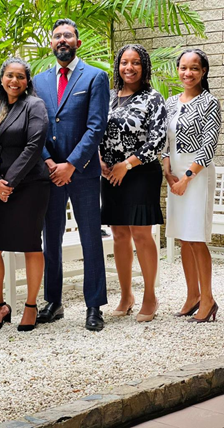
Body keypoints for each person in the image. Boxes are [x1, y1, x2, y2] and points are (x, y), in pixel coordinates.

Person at [33, 18, 110, 331]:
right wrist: (51, 163)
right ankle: (53, 302)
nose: (62, 40)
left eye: (68, 35)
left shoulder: (95, 77)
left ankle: (94, 307)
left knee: (91, 238)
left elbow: (96, 127)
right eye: (57, 36)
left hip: (84, 173)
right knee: (50, 239)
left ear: (77, 42)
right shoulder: (37, 82)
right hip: (49, 173)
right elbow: (33, 127)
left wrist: (71, 165)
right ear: (51, 44)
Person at [0, 57, 50, 332]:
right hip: (2, 187)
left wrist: (9, 181)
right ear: (1, 78)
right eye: (10, 75)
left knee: (31, 245)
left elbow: (35, 146)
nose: (14, 81)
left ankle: (31, 306)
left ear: (27, 81)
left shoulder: (35, 105)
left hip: (32, 184)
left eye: (20, 77)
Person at [100, 44, 167, 322]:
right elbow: (95, 130)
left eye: (135, 62)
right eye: (124, 62)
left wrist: (126, 164)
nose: (129, 67)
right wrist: (101, 160)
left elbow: (157, 140)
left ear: (144, 66)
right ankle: (126, 295)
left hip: (140, 172)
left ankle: (150, 295)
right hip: (111, 174)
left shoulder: (153, 98)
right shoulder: (109, 97)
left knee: (141, 233)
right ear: (118, 66)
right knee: (119, 235)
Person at [162, 49, 221, 323]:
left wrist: (186, 177)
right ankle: (192, 295)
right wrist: (166, 168)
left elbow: (208, 145)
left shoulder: (210, 102)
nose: (188, 73)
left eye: (194, 68)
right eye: (183, 68)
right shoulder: (171, 102)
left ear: (203, 72)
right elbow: (165, 140)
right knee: (184, 237)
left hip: (195, 176)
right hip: (175, 175)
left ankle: (208, 299)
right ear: (178, 70)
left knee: (196, 237)